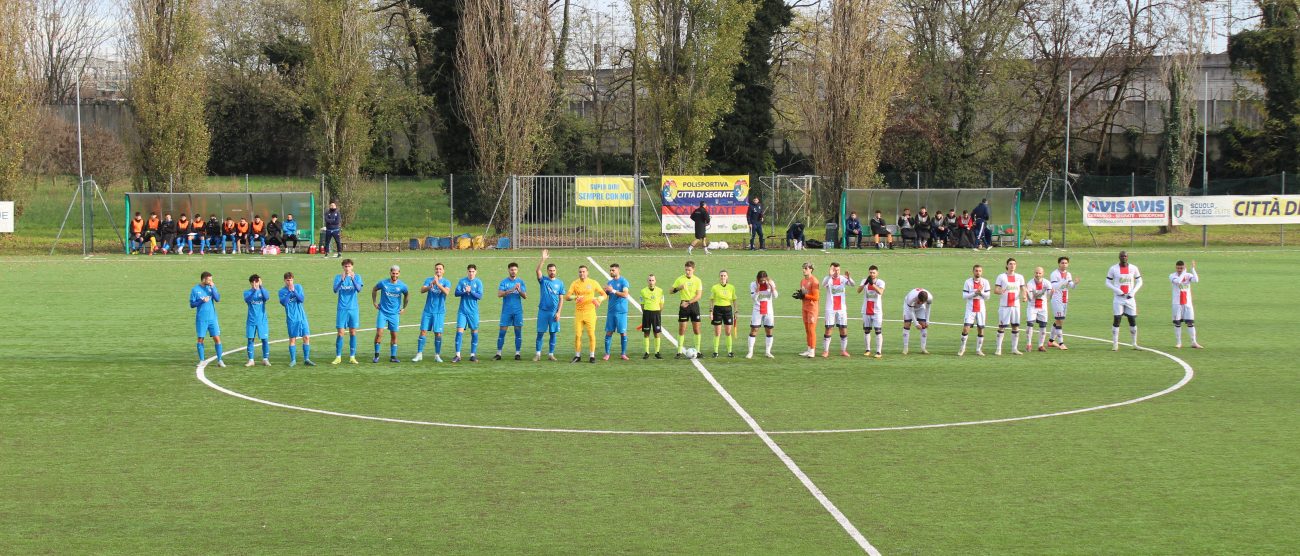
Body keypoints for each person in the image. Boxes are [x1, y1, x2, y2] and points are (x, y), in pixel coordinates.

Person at [566, 264, 606, 363]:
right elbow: (567, 297)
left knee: (591, 334)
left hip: (590, 313)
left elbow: (604, 294)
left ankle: (592, 356)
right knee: (578, 335)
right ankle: (577, 356)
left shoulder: (593, 283)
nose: (582, 273)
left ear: (587, 273)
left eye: (584, 272)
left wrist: (599, 300)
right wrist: (575, 297)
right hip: (579, 313)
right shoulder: (575, 283)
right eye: (580, 272)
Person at [371, 265, 410, 363]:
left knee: (394, 335)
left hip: (394, 314)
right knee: (379, 333)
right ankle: (376, 356)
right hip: (383, 312)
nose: (395, 275)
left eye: (397, 273)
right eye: (393, 273)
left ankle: (393, 357)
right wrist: (374, 302)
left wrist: (404, 308)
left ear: (399, 273)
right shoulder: (383, 283)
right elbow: (374, 289)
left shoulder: (402, 286)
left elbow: (407, 295)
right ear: (390, 273)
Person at [1105, 250, 1143, 351]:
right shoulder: (1113, 268)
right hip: (1118, 298)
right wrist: (1117, 290)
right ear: (1119, 257)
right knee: (1117, 319)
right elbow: (1107, 282)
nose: (1124, 258)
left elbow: (1139, 281)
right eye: (1122, 256)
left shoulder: (1133, 268)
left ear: (1128, 257)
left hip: (1130, 299)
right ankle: (1115, 344)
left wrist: (1133, 292)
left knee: (1132, 320)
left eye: (1125, 256)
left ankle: (1134, 344)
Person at [415, 262, 452, 362]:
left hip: (439, 312)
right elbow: (422, 290)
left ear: (443, 271)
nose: (438, 270)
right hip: (428, 311)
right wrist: (430, 286)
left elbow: (447, 292)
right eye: (436, 269)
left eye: (440, 269)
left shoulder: (446, 282)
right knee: (423, 331)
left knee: (438, 333)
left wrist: (438, 284)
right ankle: (419, 354)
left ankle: (437, 355)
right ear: (434, 270)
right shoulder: (428, 280)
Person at [533, 250, 566, 361]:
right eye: (550, 270)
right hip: (543, 311)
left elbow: (561, 298)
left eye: (553, 270)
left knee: (553, 333)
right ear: (547, 271)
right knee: (540, 333)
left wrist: (559, 312)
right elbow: (537, 271)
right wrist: (543, 259)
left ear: (556, 271)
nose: (552, 272)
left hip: (553, 313)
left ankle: (551, 354)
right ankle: (538, 354)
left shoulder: (560, 283)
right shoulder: (543, 281)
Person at [278, 271, 315, 366]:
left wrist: (294, 291)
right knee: (292, 339)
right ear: (284, 281)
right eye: (287, 280)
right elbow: (284, 303)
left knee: (306, 337)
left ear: (293, 280)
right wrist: (289, 292)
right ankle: (293, 360)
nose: (289, 282)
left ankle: (306, 359)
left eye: (290, 280)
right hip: (291, 318)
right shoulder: (281, 291)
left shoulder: (298, 287)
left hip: (302, 317)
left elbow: (301, 299)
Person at [331, 259, 364, 364]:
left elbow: (359, 289)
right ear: (343, 268)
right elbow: (335, 290)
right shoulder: (338, 277)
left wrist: (353, 279)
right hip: (342, 309)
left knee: (353, 332)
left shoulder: (357, 277)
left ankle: (352, 357)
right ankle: (338, 357)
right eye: (345, 266)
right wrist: (342, 280)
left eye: (349, 266)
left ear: (352, 267)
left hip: (353, 309)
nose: (347, 268)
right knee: (340, 333)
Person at [993, 257, 1027, 356]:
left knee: (1015, 326)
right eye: (1010, 264)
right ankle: (998, 349)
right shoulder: (1001, 277)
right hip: (1005, 306)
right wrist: (1000, 291)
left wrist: (1024, 296)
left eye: (1014, 264)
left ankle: (1014, 349)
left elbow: (1023, 288)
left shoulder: (1020, 277)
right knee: (1001, 327)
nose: (1012, 266)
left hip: (1016, 306)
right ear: (1007, 265)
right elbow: (995, 290)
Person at [190, 271, 225, 367]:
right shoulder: (195, 290)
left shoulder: (211, 287)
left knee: (217, 338)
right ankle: (201, 360)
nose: (211, 281)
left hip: (212, 318)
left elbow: (217, 299)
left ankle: (220, 360)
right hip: (201, 319)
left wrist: (213, 287)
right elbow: (192, 304)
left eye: (211, 279)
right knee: (200, 339)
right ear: (204, 279)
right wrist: (201, 301)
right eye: (209, 280)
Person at [671, 261, 705, 358]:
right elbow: (670, 291)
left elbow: (699, 296)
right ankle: (679, 352)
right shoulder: (680, 279)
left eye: (689, 270)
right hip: (683, 305)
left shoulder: (698, 280)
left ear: (693, 269)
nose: (687, 272)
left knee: (696, 329)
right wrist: (678, 288)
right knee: (682, 329)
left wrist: (688, 302)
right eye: (686, 270)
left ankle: (698, 351)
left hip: (693, 305)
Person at [821, 262, 855, 357]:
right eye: (834, 270)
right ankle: (826, 351)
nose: (836, 272)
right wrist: (829, 275)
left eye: (838, 270)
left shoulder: (843, 279)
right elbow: (823, 284)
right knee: (828, 329)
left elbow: (853, 284)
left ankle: (843, 350)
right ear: (831, 270)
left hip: (841, 309)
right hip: (830, 308)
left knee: (843, 329)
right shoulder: (827, 279)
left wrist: (849, 278)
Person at [495, 262, 528, 361]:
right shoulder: (504, 282)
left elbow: (525, 296)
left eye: (515, 270)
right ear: (508, 270)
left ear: (517, 271)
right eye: (511, 270)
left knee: (518, 333)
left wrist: (519, 290)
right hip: (506, 311)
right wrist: (511, 289)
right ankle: (498, 353)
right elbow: (499, 294)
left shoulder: (521, 282)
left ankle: (517, 353)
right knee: (502, 333)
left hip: (518, 311)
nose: (513, 271)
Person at [452, 264, 484, 362]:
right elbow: (456, 293)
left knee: (474, 332)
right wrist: (464, 292)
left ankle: (472, 355)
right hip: (462, 311)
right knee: (459, 332)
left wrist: (471, 292)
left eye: (473, 271)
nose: (471, 273)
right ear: (467, 272)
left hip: (473, 312)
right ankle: (458, 355)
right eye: (469, 271)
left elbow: (480, 296)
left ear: (476, 272)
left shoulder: (478, 282)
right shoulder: (462, 281)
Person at [959, 264, 991, 356]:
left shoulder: (985, 282)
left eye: (980, 271)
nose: (978, 272)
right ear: (973, 271)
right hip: (970, 309)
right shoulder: (968, 282)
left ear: (982, 272)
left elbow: (987, 297)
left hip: (981, 309)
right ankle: (962, 348)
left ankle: (978, 350)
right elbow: (964, 296)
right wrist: (974, 293)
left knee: (981, 329)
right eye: (976, 270)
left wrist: (981, 292)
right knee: (966, 329)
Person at [602, 263, 631, 360]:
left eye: (613, 270)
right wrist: (605, 291)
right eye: (610, 270)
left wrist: (613, 290)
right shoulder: (609, 282)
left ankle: (623, 353)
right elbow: (606, 295)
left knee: (623, 333)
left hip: (621, 312)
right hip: (611, 311)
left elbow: (625, 294)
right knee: (609, 332)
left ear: (618, 270)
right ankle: (607, 354)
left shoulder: (624, 281)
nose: (611, 272)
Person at [1170, 260, 1202, 349]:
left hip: (1187, 303)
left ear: (1184, 267)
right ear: (1175, 268)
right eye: (1178, 268)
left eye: (1181, 268)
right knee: (1177, 323)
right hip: (1177, 303)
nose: (1179, 270)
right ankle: (1179, 342)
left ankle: (1194, 342)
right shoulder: (1172, 276)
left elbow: (1196, 280)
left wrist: (1192, 269)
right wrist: (1184, 272)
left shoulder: (1188, 275)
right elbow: (1179, 282)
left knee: (1190, 323)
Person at [1048, 256, 1076, 350]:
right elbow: (1054, 286)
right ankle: (1061, 343)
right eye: (1062, 263)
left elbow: (1071, 285)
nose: (1064, 264)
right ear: (1059, 264)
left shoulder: (1068, 274)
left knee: (1059, 321)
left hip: (1065, 299)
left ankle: (1051, 341)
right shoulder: (1054, 274)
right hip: (1057, 299)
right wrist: (1063, 281)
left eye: (1066, 263)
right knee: (1059, 320)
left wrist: (1074, 283)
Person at [856, 265, 885, 358]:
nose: (872, 274)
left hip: (877, 311)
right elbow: (858, 291)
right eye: (870, 272)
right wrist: (865, 284)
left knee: (878, 331)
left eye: (873, 272)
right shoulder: (864, 280)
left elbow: (880, 292)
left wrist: (872, 284)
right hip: (866, 309)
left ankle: (878, 351)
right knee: (867, 330)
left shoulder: (881, 282)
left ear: (877, 273)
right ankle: (867, 349)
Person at [747, 270, 777, 359]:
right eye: (761, 280)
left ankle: (768, 351)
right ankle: (750, 352)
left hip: (769, 311)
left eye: (764, 280)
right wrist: (757, 290)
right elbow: (754, 298)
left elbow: (775, 296)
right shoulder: (753, 284)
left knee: (769, 330)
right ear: (757, 279)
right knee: (754, 329)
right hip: (757, 310)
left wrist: (772, 288)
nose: (763, 282)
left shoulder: (771, 283)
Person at [708, 269, 738, 358]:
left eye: (724, 275)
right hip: (717, 310)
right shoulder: (715, 287)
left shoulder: (731, 287)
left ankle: (730, 351)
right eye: (721, 275)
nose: (723, 277)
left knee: (728, 332)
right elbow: (711, 300)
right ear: (719, 277)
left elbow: (734, 300)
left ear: (727, 277)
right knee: (717, 332)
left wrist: (736, 311)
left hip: (728, 310)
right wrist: (711, 312)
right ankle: (715, 351)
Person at [243, 274, 271, 366]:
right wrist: (254, 291)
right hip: (251, 321)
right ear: (251, 283)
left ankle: (265, 359)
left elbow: (266, 298)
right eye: (254, 282)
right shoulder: (247, 292)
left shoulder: (263, 291)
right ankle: (251, 360)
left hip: (262, 321)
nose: (256, 283)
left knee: (265, 340)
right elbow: (247, 300)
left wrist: (261, 287)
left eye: (258, 281)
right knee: (250, 339)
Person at [795, 262, 820, 358]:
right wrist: (800, 296)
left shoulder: (814, 281)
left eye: (805, 268)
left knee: (811, 329)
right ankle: (809, 349)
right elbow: (804, 294)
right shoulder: (802, 281)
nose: (803, 270)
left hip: (812, 309)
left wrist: (805, 295)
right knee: (807, 330)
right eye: (803, 268)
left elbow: (816, 297)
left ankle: (812, 351)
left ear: (811, 269)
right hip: (804, 307)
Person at [1024, 266, 1052, 352]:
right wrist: (1028, 293)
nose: (1038, 275)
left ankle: (1041, 345)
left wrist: (1051, 294)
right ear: (1034, 273)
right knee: (1030, 324)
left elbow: (1049, 296)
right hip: (1032, 306)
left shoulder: (1047, 283)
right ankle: (1029, 344)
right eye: (1036, 273)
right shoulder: (1030, 283)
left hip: (1043, 307)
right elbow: (1030, 298)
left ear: (1043, 274)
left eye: (1040, 273)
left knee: (1043, 326)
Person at [900, 287, 932, 355]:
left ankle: (923, 348)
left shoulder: (930, 298)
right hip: (908, 307)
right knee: (907, 324)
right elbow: (911, 312)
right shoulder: (911, 298)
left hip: (920, 308)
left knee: (923, 325)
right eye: (919, 301)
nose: (920, 302)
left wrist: (927, 320)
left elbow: (928, 308)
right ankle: (905, 348)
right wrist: (916, 324)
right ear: (918, 297)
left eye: (922, 302)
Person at [640, 274, 665, 359]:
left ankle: (657, 352)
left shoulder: (660, 291)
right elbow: (642, 304)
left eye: (653, 280)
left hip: (656, 313)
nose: (651, 282)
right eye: (650, 280)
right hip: (647, 313)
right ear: (647, 281)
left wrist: (657, 312)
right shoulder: (643, 291)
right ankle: (646, 352)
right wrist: (646, 312)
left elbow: (661, 304)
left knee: (656, 332)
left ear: (655, 281)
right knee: (646, 333)